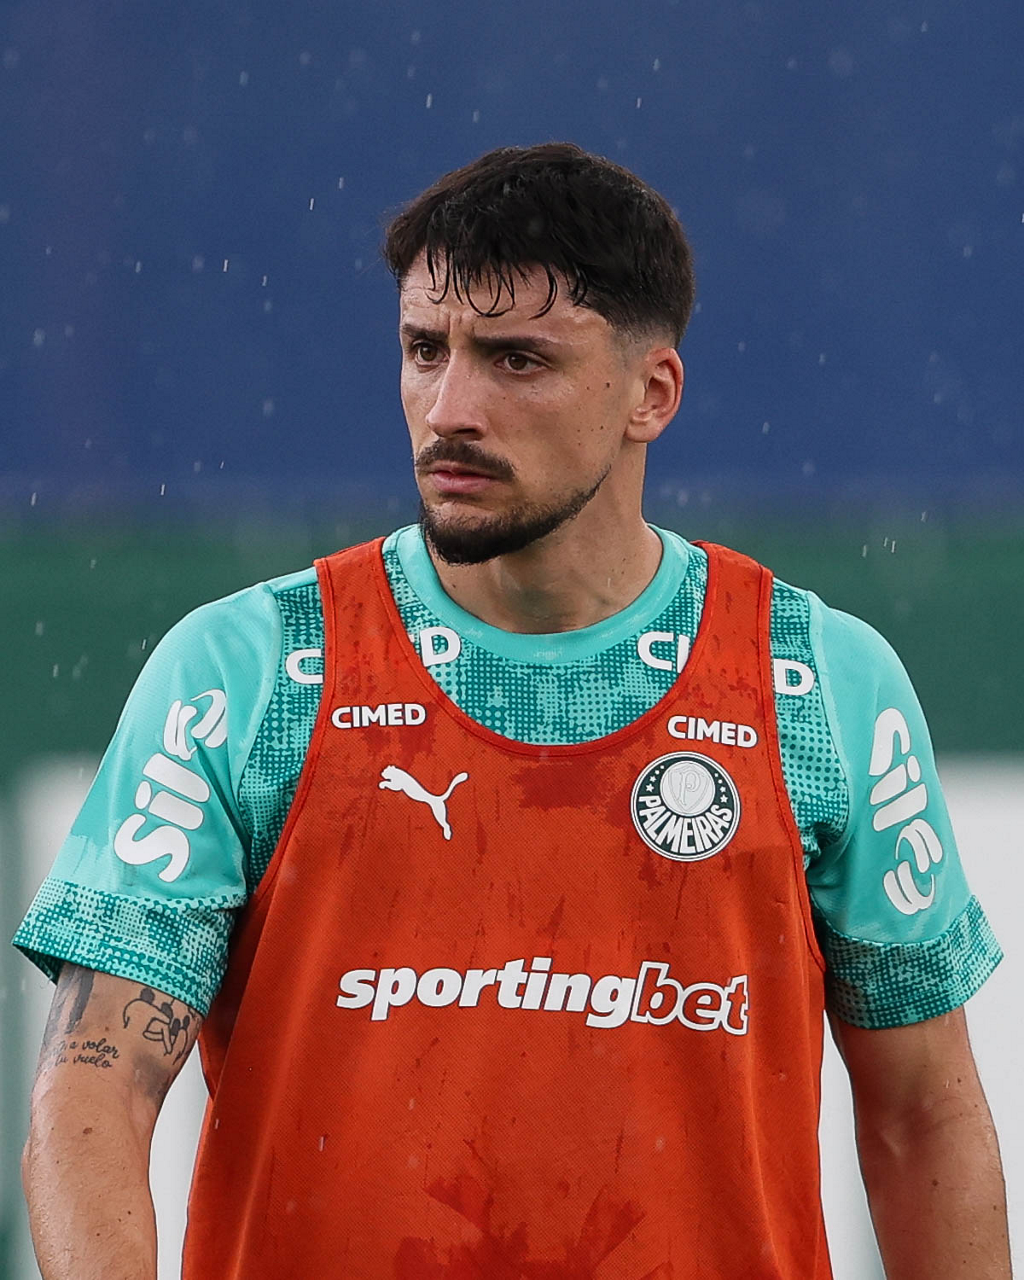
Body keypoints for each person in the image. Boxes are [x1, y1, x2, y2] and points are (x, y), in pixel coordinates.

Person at [16, 143, 1009, 1280]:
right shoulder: (253, 672)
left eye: (517, 360)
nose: (449, 409)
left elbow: (923, 1113)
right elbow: (93, 1085)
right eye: (423, 350)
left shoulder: (813, 682)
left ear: (652, 394)